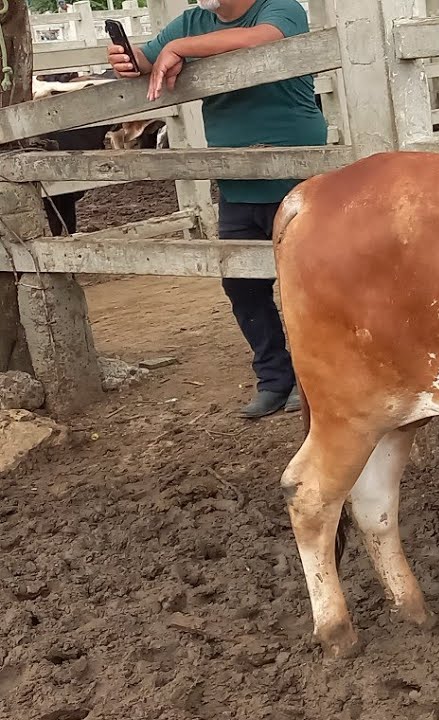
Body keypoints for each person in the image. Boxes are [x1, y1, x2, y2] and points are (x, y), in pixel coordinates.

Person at [106, 0, 326, 419]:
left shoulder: (279, 8)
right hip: (236, 182)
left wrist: (182, 48)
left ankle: (312, 378)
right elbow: (147, 56)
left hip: (295, 177)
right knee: (242, 285)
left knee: (307, 284)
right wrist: (128, 57)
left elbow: (263, 38)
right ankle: (274, 379)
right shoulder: (194, 20)